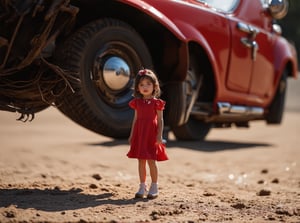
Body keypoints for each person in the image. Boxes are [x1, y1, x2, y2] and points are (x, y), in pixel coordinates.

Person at [127, 68, 168, 199]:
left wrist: (159, 135)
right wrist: (132, 134)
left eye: (148, 84)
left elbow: (160, 119)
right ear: (137, 87)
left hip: (151, 133)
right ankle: (142, 185)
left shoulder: (157, 103)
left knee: (151, 160)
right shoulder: (137, 102)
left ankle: (154, 185)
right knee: (141, 161)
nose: (145, 87)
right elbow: (135, 119)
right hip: (140, 133)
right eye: (142, 84)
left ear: (154, 86)